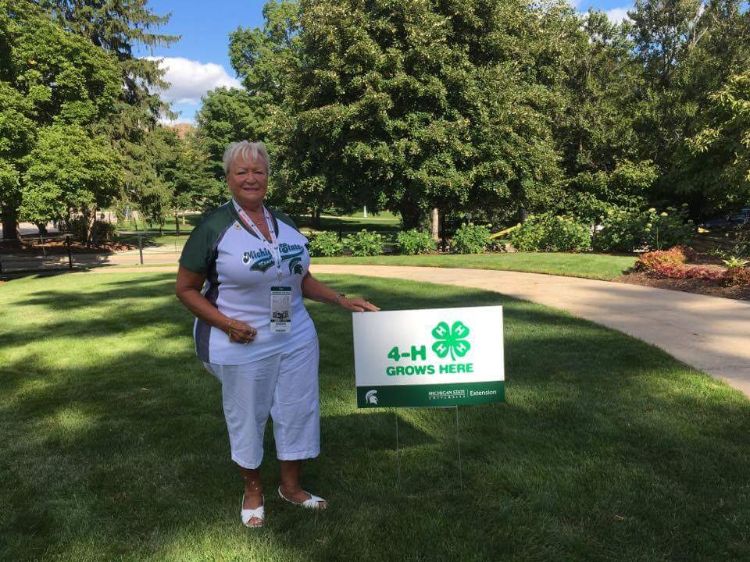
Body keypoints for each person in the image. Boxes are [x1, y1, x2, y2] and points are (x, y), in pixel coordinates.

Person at [175, 141, 379, 528]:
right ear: (228, 179)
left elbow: (300, 279)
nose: (251, 178)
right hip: (241, 338)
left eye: (259, 171)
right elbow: (185, 289)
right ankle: (253, 490)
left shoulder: (284, 221)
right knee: (247, 416)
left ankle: (291, 487)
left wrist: (340, 299)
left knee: (297, 408)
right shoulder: (213, 227)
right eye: (242, 172)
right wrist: (227, 323)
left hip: (295, 333)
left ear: (268, 177)